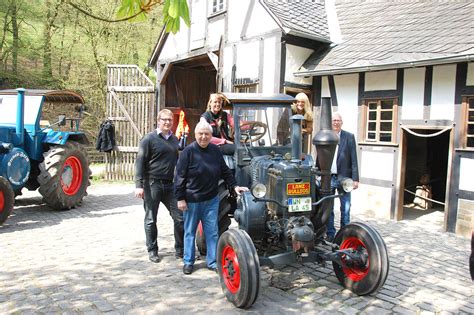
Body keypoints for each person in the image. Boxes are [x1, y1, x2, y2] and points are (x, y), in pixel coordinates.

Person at [175, 121, 248, 275]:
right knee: (189, 231)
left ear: (211, 136)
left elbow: (225, 171)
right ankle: (188, 261)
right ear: (195, 135)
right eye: (200, 134)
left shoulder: (215, 151)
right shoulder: (188, 152)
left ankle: (212, 261)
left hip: (211, 200)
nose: (203, 137)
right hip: (192, 200)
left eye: (207, 134)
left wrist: (234, 186)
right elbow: (179, 177)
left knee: (212, 232)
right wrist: (180, 198)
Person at [135, 109, 184, 263]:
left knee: (180, 218)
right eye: (164, 119)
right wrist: (139, 185)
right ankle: (152, 250)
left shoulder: (175, 140)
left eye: (170, 120)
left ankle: (180, 250)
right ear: (158, 120)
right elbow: (140, 162)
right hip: (152, 184)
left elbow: (179, 163)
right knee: (150, 219)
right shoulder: (148, 139)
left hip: (170, 185)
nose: (167, 122)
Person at [325, 112, 359, 242]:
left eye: (338, 120)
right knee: (328, 208)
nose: (336, 122)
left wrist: (355, 179)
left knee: (345, 208)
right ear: (331, 122)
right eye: (334, 120)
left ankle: (345, 235)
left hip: (344, 178)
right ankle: (330, 233)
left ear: (342, 122)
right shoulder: (327, 136)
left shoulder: (349, 137)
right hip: (329, 177)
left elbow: (354, 159)